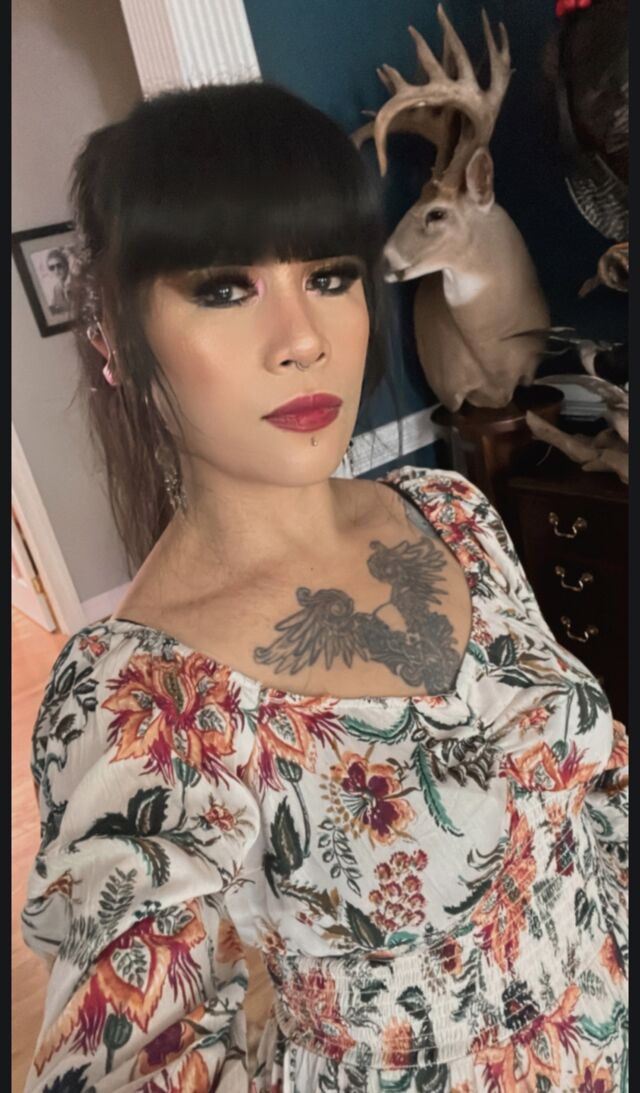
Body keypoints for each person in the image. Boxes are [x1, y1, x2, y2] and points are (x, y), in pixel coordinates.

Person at [21, 81, 627, 1092]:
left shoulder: (450, 512)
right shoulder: (139, 699)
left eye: (330, 275)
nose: (302, 338)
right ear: (116, 342)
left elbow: (591, 784)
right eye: (225, 288)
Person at [45, 248, 70, 315]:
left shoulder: (77, 282)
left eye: (59, 266)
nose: (56, 271)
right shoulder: (56, 288)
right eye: (52, 268)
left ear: (66, 265)